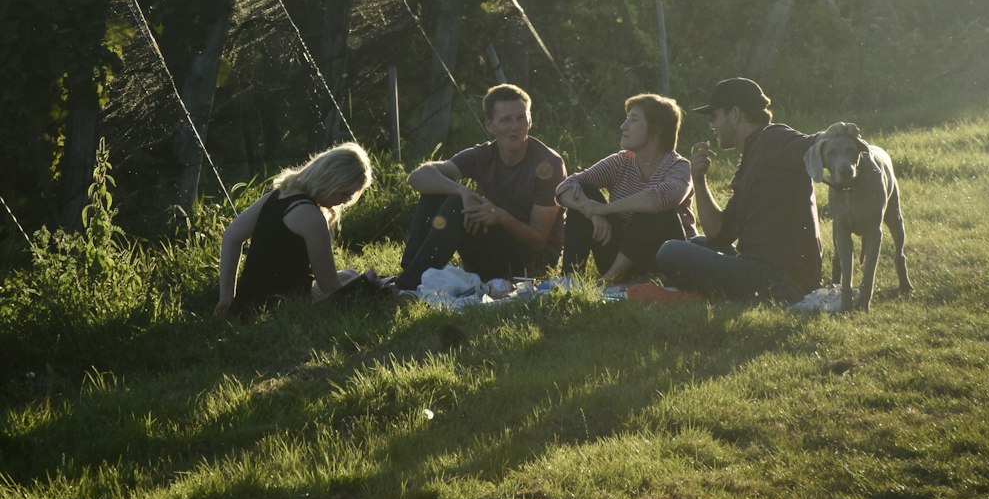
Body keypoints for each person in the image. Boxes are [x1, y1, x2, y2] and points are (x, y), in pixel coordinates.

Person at [655, 77, 822, 304]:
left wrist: (836, 133)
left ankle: (696, 293)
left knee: (669, 251)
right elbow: (719, 235)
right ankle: (702, 292)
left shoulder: (774, 137)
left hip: (781, 282)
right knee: (697, 243)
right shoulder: (752, 155)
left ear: (735, 114)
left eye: (714, 116)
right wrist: (698, 179)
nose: (711, 125)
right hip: (760, 269)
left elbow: (812, 143)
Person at [395, 83, 566, 290]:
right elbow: (417, 177)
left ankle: (407, 285)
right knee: (437, 194)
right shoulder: (482, 155)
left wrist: (501, 216)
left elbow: (539, 241)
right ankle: (410, 273)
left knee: (457, 204)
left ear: (530, 120)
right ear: (489, 125)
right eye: (505, 120)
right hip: (491, 246)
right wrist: (462, 190)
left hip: (531, 261)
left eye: (521, 118)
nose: (515, 127)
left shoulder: (548, 163)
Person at [216, 143, 373, 316]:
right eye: (345, 194)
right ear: (330, 181)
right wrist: (372, 288)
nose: (344, 201)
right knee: (356, 281)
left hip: (249, 300)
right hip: (281, 307)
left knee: (349, 274)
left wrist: (227, 296)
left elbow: (231, 235)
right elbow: (330, 287)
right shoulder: (312, 217)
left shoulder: (278, 195)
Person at [556, 93, 694, 285]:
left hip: (664, 260)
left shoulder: (680, 167)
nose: (623, 126)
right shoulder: (621, 161)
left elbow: (665, 197)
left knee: (653, 208)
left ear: (657, 130)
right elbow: (566, 187)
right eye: (626, 119)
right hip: (621, 253)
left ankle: (611, 279)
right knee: (583, 190)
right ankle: (569, 280)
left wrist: (604, 209)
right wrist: (592, 212)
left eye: (633, 120)